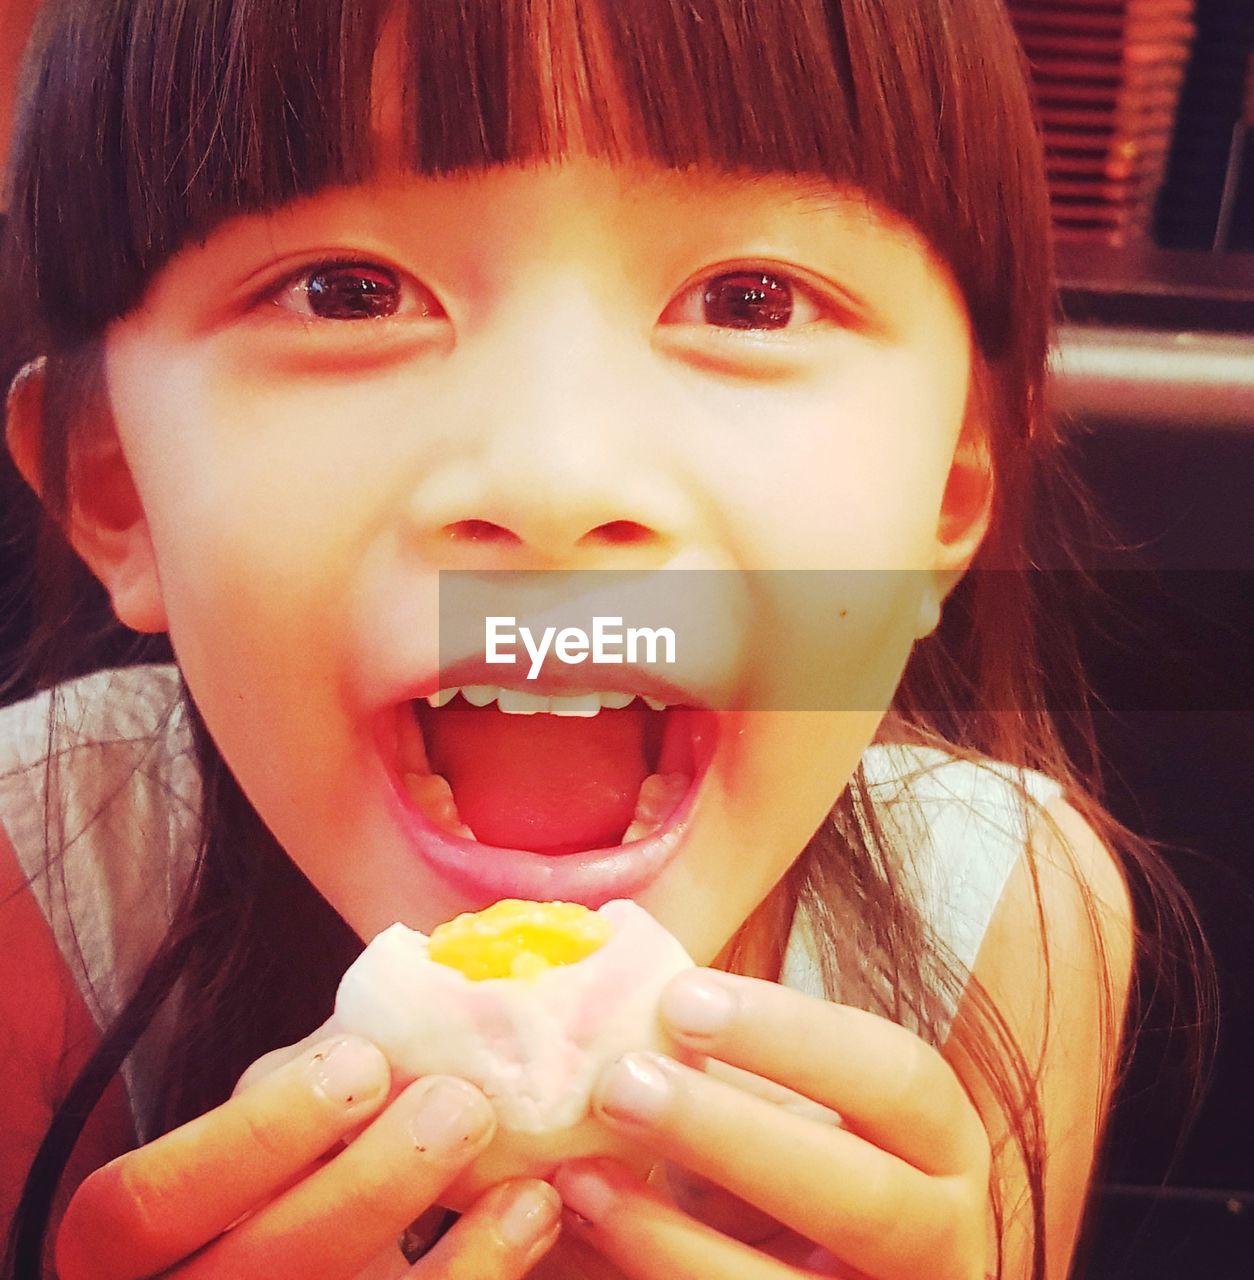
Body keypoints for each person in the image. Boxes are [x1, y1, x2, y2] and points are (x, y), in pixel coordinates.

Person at [0, 0, 1185, 1276]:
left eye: (751, 297)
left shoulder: (1008, 916)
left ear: (948, 497)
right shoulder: (43, 890)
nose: (553, 479)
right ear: (113, 488)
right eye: (348, 292)